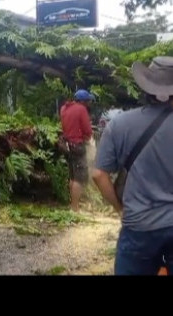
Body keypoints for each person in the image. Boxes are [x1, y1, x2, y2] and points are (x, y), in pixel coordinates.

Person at [92, 56, 173, 275]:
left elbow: (99, 174)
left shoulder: (120, 124)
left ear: (146, 87)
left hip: (139, 226)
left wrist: (120, 209)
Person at [59, 89, 95, 212]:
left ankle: (73, 206)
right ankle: (75, 208)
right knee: (79, 178)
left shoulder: (64, 108)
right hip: (77, 146)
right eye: (88, 101)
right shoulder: (81, 109)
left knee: (73, 176)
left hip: (67, 145)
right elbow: (88, 131)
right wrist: (88, 136)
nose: (89, 103)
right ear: (83, 101)